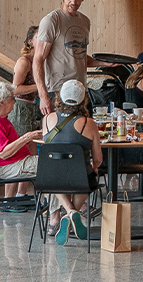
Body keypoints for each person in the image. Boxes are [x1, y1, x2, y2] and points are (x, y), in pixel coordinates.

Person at [40, 79, 102, 242]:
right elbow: (98, 159)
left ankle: (70, 212)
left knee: (56, 177)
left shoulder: (46, 119)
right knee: (88, 178)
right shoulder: (88, 123)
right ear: (83, 99)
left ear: (59, 97)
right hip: (80, 178)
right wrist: (95, 167)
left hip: (51, 178)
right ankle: (71, 213)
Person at [33, 0, 90, 119]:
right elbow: (38, 59)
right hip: (58, 91)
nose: (73, 2)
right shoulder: (52, 20)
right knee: (58, 136)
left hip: (80, 90)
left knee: (85, 135)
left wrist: (106, 63)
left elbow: (78, 56)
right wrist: (43, 95)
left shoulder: (85, 21)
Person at [0, 82, 42, 202]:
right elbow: (2, 154)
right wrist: (26, 137)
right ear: (1, 102)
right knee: (54, 165)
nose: (15, 101)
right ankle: (57, 209)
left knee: (52, 163)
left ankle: (56, 207)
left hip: (15, 163)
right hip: (9, 167)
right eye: (12, 98)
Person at [10, 27, 42, 133]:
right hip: (20, 108)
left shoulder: (38, 62)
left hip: (31, 107)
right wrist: (40, 85)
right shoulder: (24, 61)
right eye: (39, 36)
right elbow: (15, 89)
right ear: (30, 41)